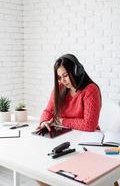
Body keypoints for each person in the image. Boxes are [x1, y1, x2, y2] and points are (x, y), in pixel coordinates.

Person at [37, 54, 101, 186]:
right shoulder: (60, 87)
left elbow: (89, 125)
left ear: (77, 71)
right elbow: (48, 111)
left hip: (87, 142)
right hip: (66, 140)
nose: (63, 81)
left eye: (65, 75)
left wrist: (61, 121)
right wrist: (44, 121)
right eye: (59, 77)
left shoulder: (90, 90)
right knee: (41, 174)